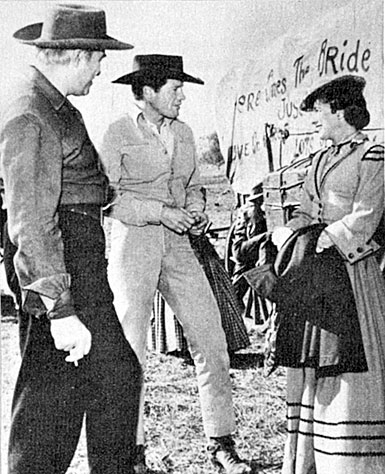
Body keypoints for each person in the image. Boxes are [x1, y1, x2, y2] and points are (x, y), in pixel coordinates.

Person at [0, 5, 142, 474]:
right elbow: (30, 220)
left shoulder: (51, 105)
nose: (103, 67)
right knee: (52, 398)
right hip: (60, 262)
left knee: (111, 379)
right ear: (77, 54)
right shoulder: (32, 113)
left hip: (74, 256)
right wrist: (58, 309)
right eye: (99, 57)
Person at [100, 54, 251, 474]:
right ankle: (131, 450)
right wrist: (161, 212)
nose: (182, 96)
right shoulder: (116, 134)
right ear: (148, 92)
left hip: (181, 245)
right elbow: (107, 197)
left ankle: (221, 443)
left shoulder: (183, 133)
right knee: (130, 349)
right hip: (135, 246)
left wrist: (196, 210)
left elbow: (192, 186)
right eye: (175, 88)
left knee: (212, 339)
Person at [271, 75, 385, 474]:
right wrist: (290, 231)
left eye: (320, 113)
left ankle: (353, 463)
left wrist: (325, 238)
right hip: (317, 273)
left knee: (350, 360)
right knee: (313, 360)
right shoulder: (319, 159)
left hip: (352, 272)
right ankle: (309, 460)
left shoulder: (373, 155)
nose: (316, 121)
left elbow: (367, 216)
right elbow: (307, 208)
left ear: (340, 112)